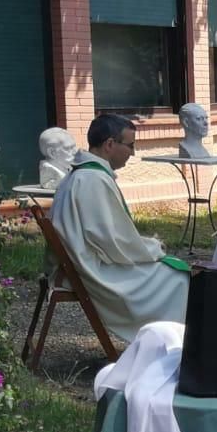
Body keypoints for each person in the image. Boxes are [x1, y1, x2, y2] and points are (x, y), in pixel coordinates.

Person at [49, 114, 189, 342]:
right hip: (92, 269)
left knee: (172, 272)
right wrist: (152, 249)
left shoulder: (80, 174)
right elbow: (112, 241)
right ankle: (166, 344)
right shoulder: (93, 179)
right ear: (110, 144)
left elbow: (107, 236)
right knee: (178, 278)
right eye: (130, 145)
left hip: (79, 263)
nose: (132, 153)